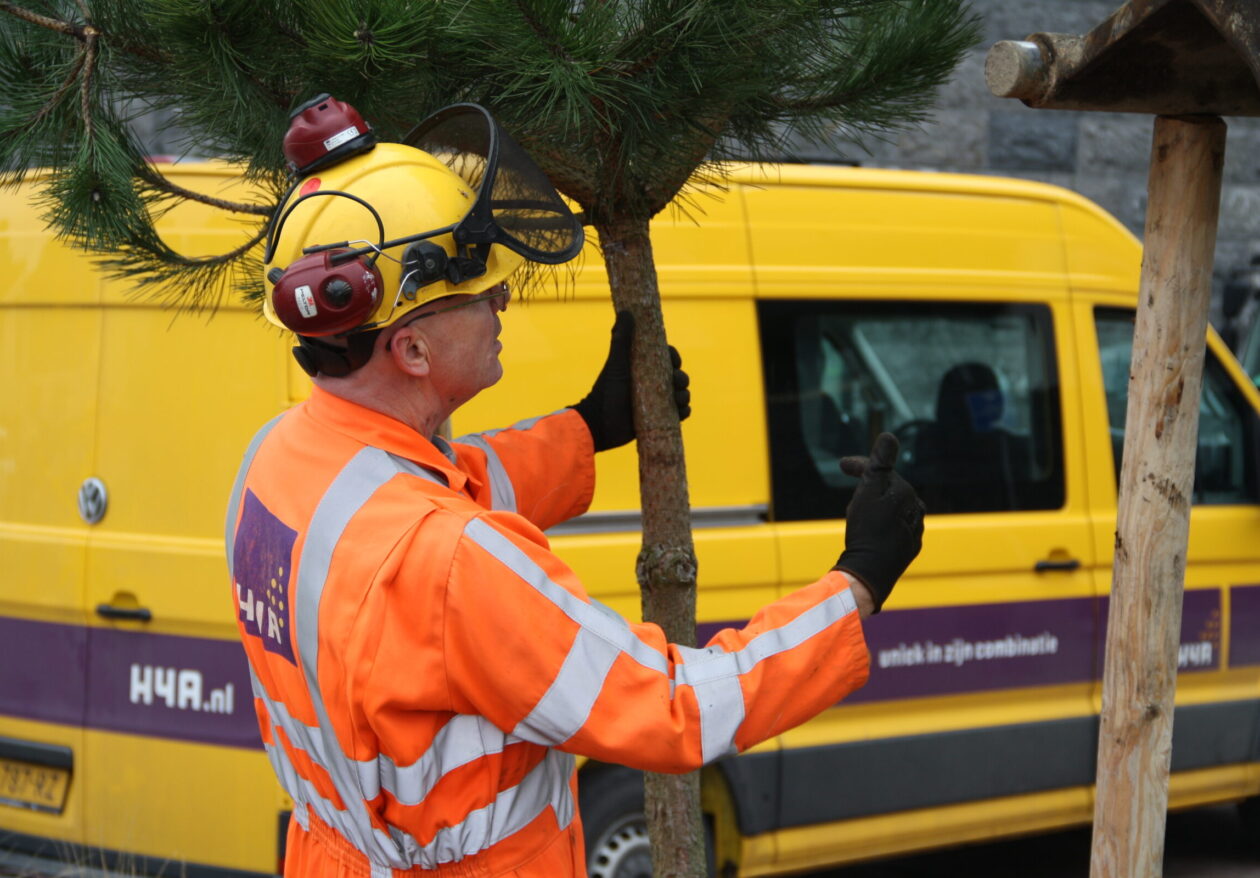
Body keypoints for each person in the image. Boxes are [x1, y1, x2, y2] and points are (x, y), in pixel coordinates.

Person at [226, 98, 924, 877]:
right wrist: (856, 582)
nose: (503, 301)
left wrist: (590, 427)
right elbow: (673, 706)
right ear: (412, 347)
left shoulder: (281, 460)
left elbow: (440, 495)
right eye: (483, 290)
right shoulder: (455, 563)